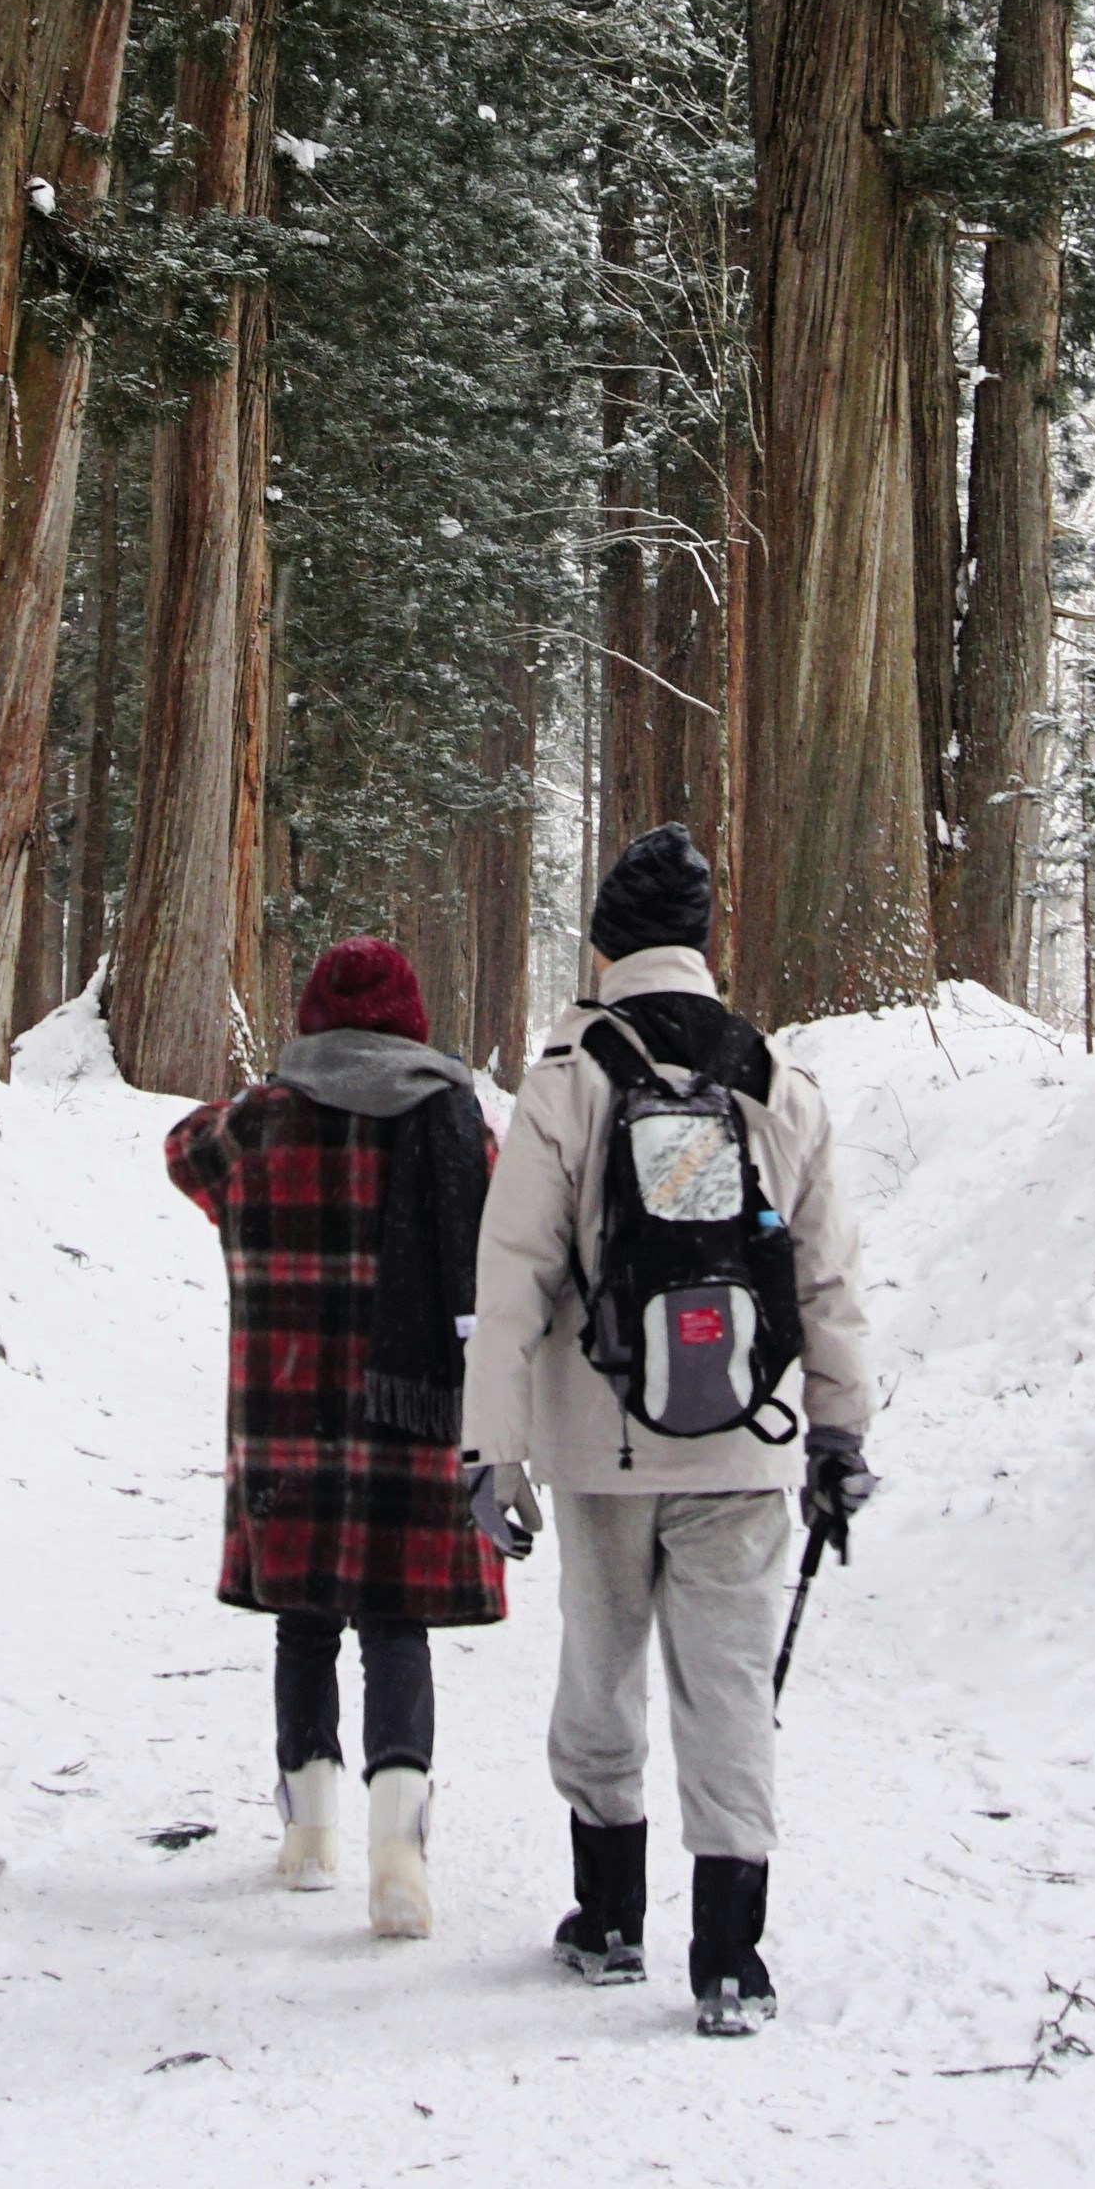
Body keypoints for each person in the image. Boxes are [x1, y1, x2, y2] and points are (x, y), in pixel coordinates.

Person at [457, 824, 878, 2036]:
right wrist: (839, 1434)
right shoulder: (775, 1078)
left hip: (601, 1443)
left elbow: (516, 1272)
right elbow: (829, 1280)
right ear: (701, 941)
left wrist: (497, 1449)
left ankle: (607, 1919)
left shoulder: (570, 1075)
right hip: (747, 1439)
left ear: (604, 942)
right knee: (730, 1687)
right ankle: (731, 1958)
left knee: (602, 1672)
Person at [162, 936, 509, 1938]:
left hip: (291, 1417)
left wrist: (268, 1083)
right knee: (395, 1622)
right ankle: (398, 1842)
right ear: (411, 1019)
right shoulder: (458, 1127)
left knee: (303, 1618)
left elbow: (181, 1147)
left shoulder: (261, 1124)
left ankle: (309, 1829)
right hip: (414, 1420)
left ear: (311, 1017)